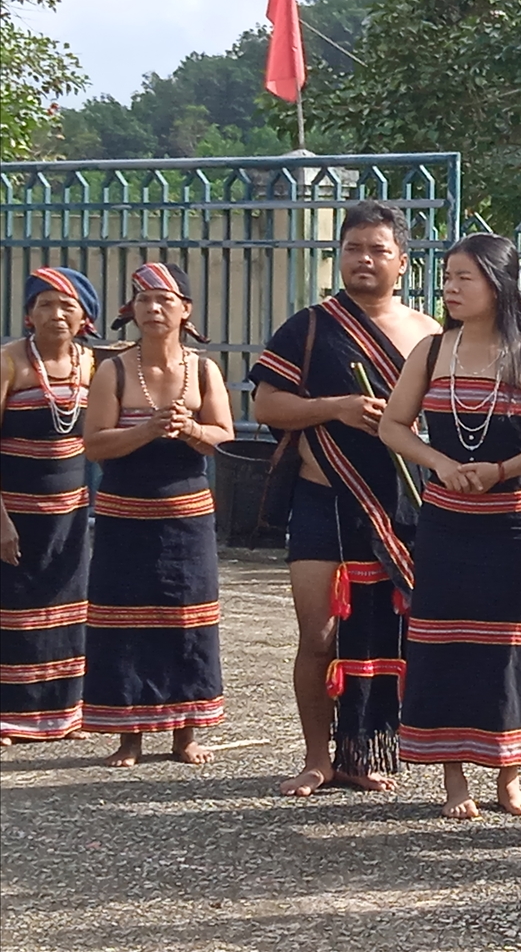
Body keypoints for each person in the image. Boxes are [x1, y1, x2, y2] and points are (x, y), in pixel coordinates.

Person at [380, 234, 521, 819]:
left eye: (464, 277)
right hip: (445, 521)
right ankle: (454, 779)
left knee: (509, 645)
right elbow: (394, 425)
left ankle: (509, 776)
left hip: (512, 526)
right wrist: (439, 463)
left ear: (498, 283)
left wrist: (504, 469)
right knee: (445, 641)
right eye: (447, 277)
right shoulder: (432, 351)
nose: (451, 288)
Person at [250, 202, 441, 796]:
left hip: (401, 508)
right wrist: (336, 408)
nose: (365, 260)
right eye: (354, 248)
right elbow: (266, 407)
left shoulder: (430, 334)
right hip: (323, 501)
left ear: (402, 263)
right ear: (340, 256)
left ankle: (366, 750)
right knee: (319, 636)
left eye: (379, 250)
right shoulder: (308, 327)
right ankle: (316, 757)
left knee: (389, 633)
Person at [82, 263, 235, 766]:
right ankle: (129, 735)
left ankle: (186, 733)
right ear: (132, 310)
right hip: (125, 516)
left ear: (185, 311)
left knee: (187, 620)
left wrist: (191, 430)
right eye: (144, 300)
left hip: (187, 519)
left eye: (165, 300)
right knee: (123, 620)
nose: (153, 309)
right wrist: (146, 429)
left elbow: (223, 435)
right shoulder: (114, 370)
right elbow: (94, 444)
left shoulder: (204, 370)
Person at [1, 268, 99, 745]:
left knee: (66, 610)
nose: (56, 314)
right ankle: (7, 717)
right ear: (28, 315)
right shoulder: (9, 363)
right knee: (11, 609)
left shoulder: (93, 365)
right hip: (13, 514)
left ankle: (61, 715)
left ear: (85, 318)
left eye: (67, 306)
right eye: (44, 304)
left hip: (71, 514)